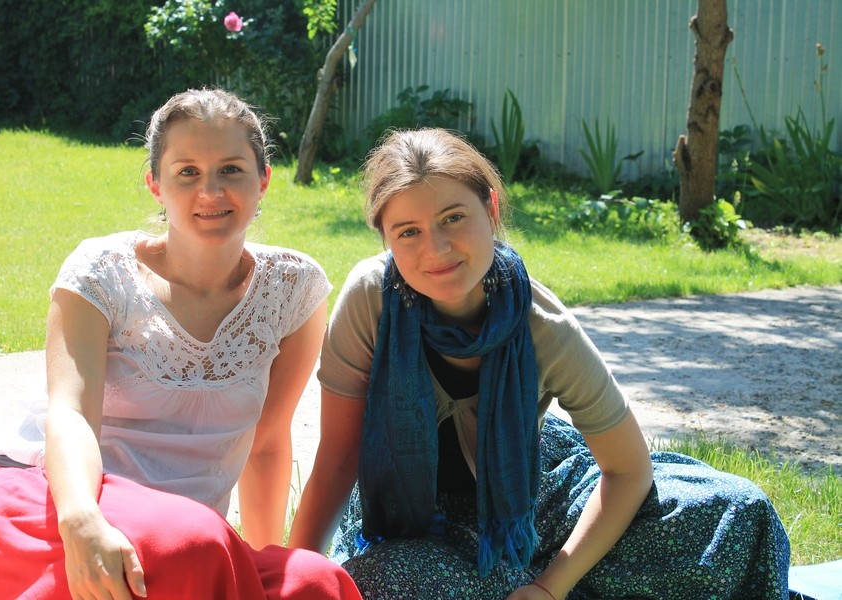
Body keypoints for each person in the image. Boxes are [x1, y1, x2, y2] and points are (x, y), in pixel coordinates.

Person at [288, 128, 791, 599]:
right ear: (385, 239)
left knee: (736, 514)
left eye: (453, 218)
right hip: (411, 518)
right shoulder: (371, 300)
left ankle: (527, 576)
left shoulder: (540, 325)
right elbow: (338, 459)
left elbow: (628, 470)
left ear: (491, 208)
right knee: (384, 581)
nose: (435, 249)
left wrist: (551, 587)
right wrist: (293, 579)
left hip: (529, 494)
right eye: (408, 232)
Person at [0, 88, 361, 600]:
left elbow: (267, 442)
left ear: (264, 180)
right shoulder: (101, 272)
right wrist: (83, 522)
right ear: (155, 185)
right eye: (187, 172)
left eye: (231, 169)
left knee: (316, 582)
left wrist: (258, 565)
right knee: (189, 540)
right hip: (54, 502)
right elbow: (70, 413)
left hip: (184, 546)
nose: (210, 191)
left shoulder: (293, 287)